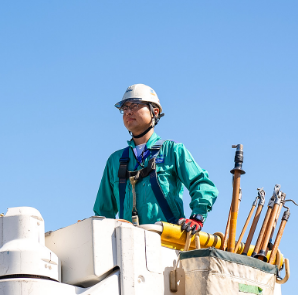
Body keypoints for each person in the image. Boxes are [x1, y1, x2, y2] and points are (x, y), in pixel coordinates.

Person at [93, 84, 218, 233]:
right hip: (127, 245)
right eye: (124, 108)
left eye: (134, 105)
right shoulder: (115, 161)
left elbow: (202, 184)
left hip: (168, 243)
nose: (128, 112)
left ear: (154, 112)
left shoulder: (172, 150)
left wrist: (197, 217)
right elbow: (103, 212)